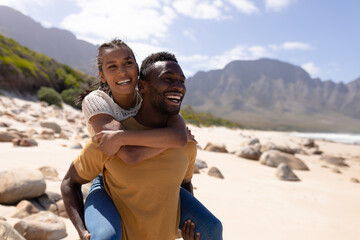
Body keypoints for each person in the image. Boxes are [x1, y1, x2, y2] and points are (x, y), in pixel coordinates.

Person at [61, 45, 222, 239]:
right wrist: (82, 230)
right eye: (167, 79)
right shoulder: (107, 136)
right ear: (142, 85)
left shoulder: (183, 138)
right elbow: (129, 155)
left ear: (137, 74)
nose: (178, 86)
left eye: (181, 81)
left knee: (212, 229)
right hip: (106, 182)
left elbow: (185, 183)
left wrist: (184, 221)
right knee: (105, 237)